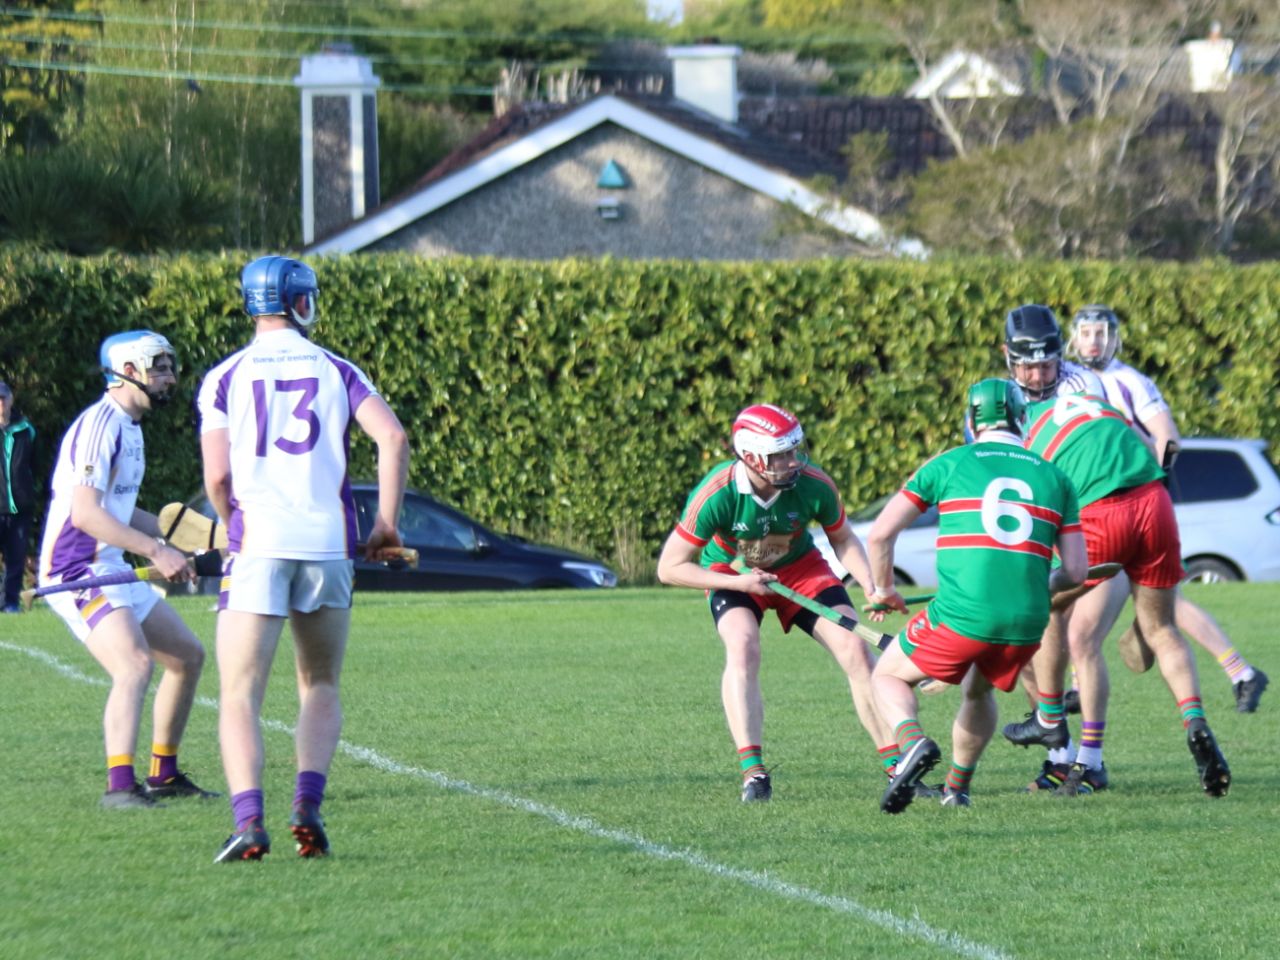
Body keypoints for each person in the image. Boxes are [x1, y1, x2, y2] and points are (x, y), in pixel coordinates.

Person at [199, 255, 409, 862]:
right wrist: (386, 525)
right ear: (299, 302)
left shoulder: (223, 377)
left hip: (257, 544)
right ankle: (307, 805)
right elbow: (391, 438)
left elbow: (218, 474)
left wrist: (227, 523)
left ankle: (249, 821)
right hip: (326, 544)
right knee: (319, 682)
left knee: (240, 693)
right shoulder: (337, 368)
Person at [1001, 305, 1232, 798]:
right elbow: (1157, 443)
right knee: (1147, 629)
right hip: (1154, 503)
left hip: (1100, 515)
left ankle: (1059, 733)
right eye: (1029, 365)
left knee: (1037, 613)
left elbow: (1021, 495)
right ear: (1009, 357)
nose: (1038, 374)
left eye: (1046, 363)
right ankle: (1191, 722)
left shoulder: (1020, 419)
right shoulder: (1092, 391)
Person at [656, 402, 897, 804]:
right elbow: (669, 567)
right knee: (743, 646)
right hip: (732, 572)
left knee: (855, 648)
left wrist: (871, 584)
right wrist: (742, 582)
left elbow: (842, 538)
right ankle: (754, 772)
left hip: (800, 568)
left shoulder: (814, 483)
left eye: (794, 450)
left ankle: (898, 766)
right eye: (780, 455)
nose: (792, 462)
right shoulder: (718, 492)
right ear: (751, 458)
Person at [866, 379, 1087, 813]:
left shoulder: (948, 463)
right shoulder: (1056, 477)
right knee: (978, 690)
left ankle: (912, 744)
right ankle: (957, 789)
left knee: (887, 677)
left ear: (971, 421)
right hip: (1027, 622)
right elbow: (1076, 571)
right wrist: (1036, 586)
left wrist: (884, 590)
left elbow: (879, 536)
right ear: (1023, 421)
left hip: (963, 614)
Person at [38, 331, 217, 808]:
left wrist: (173, 541)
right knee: (134, 665)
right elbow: (87, 515)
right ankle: (119, 787)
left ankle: (164, 775)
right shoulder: (100, 426)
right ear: (128, 371)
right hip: (76, 571)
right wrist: (157, 554)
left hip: (109, 562)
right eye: (157, 368)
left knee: (186, 656)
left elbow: (120, 512)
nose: (169, 378)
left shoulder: (131, 427)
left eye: (169, 367)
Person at [1069, 303, 1268, 713]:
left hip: (1137, 509)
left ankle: (1241, 673)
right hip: (1098, 509)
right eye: (1086, 333)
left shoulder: (1129, 382)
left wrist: (1152, 486)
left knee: (1157, 602)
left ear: (1115, 337)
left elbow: (1168, 438)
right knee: (1092, 594)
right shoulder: (1070, 382)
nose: (1094, 341)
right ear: (1073, 338)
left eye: (1101, 332)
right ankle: (1241, 673)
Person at [1, 380, 37, 613]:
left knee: (16, 559)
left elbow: (35, 464)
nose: (0, 403)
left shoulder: (26, 429)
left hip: (21, 509)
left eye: (3, 398)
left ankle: (10, 603)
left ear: (11, 400)